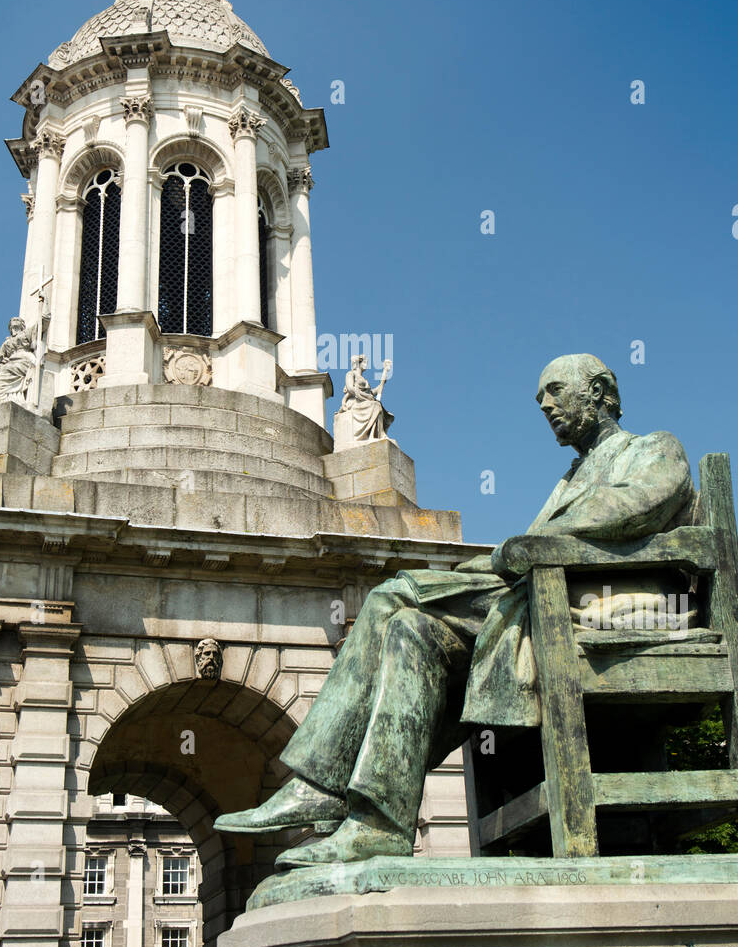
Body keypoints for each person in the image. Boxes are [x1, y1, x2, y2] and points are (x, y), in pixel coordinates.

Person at [214, 354, 695, 868]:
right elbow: (526, 550)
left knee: (383, 597)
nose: (546, 406)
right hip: (539, 595)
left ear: (600, 392)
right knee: (410, 631)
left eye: (555, 392)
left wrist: (534, 541)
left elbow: (637, 505)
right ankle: (378, 825)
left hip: (596, 602)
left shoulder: (654, 448)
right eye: (540, 399)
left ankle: (319, 785)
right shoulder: (571, 476)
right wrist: (496, 560)